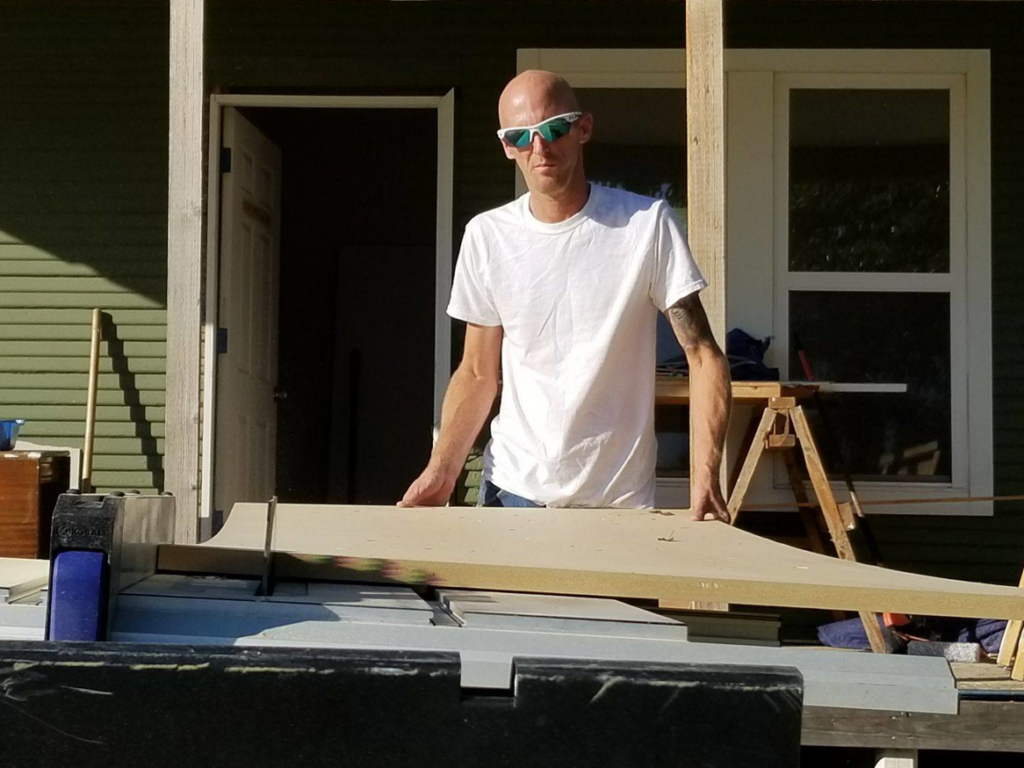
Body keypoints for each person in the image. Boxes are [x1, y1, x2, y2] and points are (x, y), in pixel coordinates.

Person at [399, 70, 732, 522]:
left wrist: (706, 478)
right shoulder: (487, 236)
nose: (540, 147)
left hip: (619, 506)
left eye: (554, 128)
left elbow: (702, 355)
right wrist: (441, 469)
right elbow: (478, 372)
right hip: (511, 494)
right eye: (521, 136)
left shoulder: (646, 224)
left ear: (583, 129)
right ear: (506, 147)